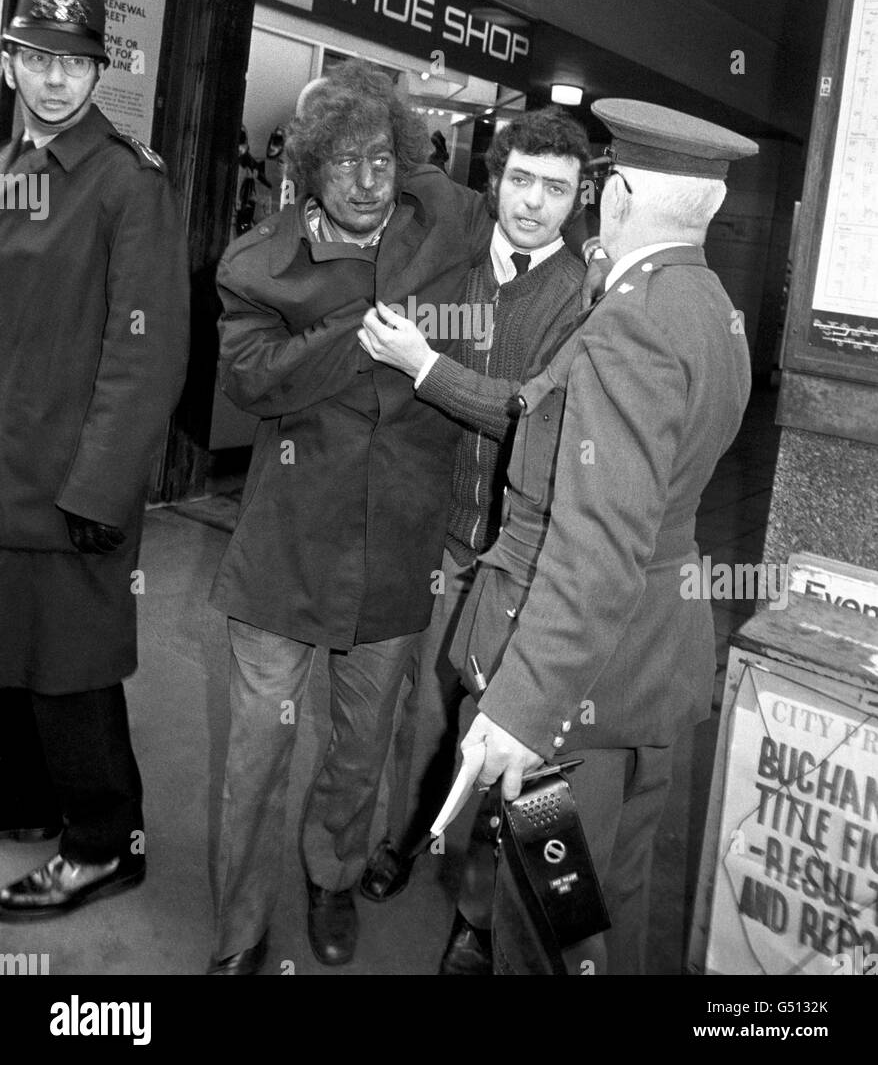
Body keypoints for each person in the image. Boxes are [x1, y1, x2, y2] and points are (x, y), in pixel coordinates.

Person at [446, 99, 757, 974]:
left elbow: (598, 543)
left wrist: (522, 708)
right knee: (604, 902)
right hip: (650, 664)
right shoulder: (709, 307)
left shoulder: (632, 324)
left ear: (614, 195)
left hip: (575, 692)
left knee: (547, 926)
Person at [206, 60, 494, 974]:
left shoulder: (443, 222)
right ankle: (240, 932)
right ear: (310, 169)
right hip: (285, 554)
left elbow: (530, 209)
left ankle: (332, 876)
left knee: (361, 748)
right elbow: (254, 381)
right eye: (346, 163)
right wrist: (367, 326)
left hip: (397, 548)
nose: (368, 182)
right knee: (257, 755)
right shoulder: (259, 264)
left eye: (384, 160)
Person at [356, 108, 605, 973]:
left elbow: (528, 413)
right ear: (495, 180)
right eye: (521, 180)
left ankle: (480, 915)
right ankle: (402, 838)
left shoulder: (581, 299)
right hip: (443, 540)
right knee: (425, 713)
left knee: (516, 746)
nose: (534, 203)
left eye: (557, 189)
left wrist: (425, 366)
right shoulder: (458, 272)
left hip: (523, 558)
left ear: (581, 201)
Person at [0, 0, 190, 921]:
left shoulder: (125, 184)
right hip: (6, 479)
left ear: (96, 67)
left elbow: (146, 354)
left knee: (71, 678)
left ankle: (104, 843)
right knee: (15, 664)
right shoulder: (10, 170)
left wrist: (98, 490)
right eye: (37, 55)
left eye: (73, 60)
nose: (55, 74)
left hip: (73, 491)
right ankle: (30, 804)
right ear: (9, 61)